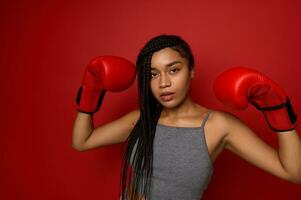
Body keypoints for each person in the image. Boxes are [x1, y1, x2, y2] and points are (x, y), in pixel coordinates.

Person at [72, 34, 301, 200]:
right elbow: (82, 141)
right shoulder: (142, 118)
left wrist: (278, 111)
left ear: (192, 70)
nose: (163, 83)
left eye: (173, 70)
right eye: (153, 74)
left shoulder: (218, 126)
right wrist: (90, 93)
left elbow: (294, 173)